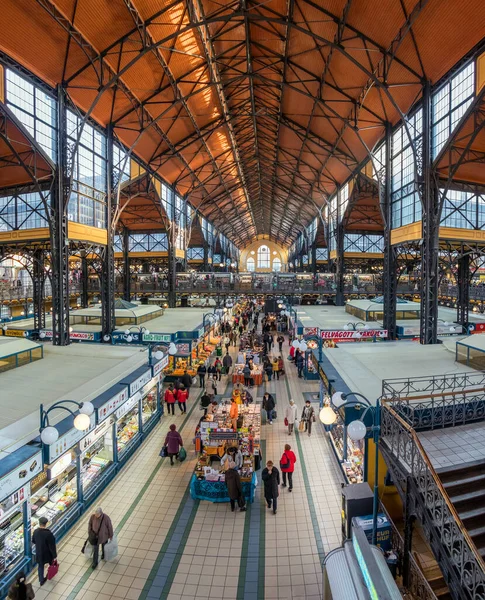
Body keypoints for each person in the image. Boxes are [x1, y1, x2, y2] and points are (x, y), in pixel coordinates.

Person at [32, 517, 57, 585]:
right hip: (48, 553)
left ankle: (41, 580)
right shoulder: (48, 534)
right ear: (46, 524)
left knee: (40, 566)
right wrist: (54, 555)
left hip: (39, 553)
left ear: (39, 523)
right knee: (51, 563)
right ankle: (51, 573)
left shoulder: (35, 531)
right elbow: (52, 545)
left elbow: (33, 541)